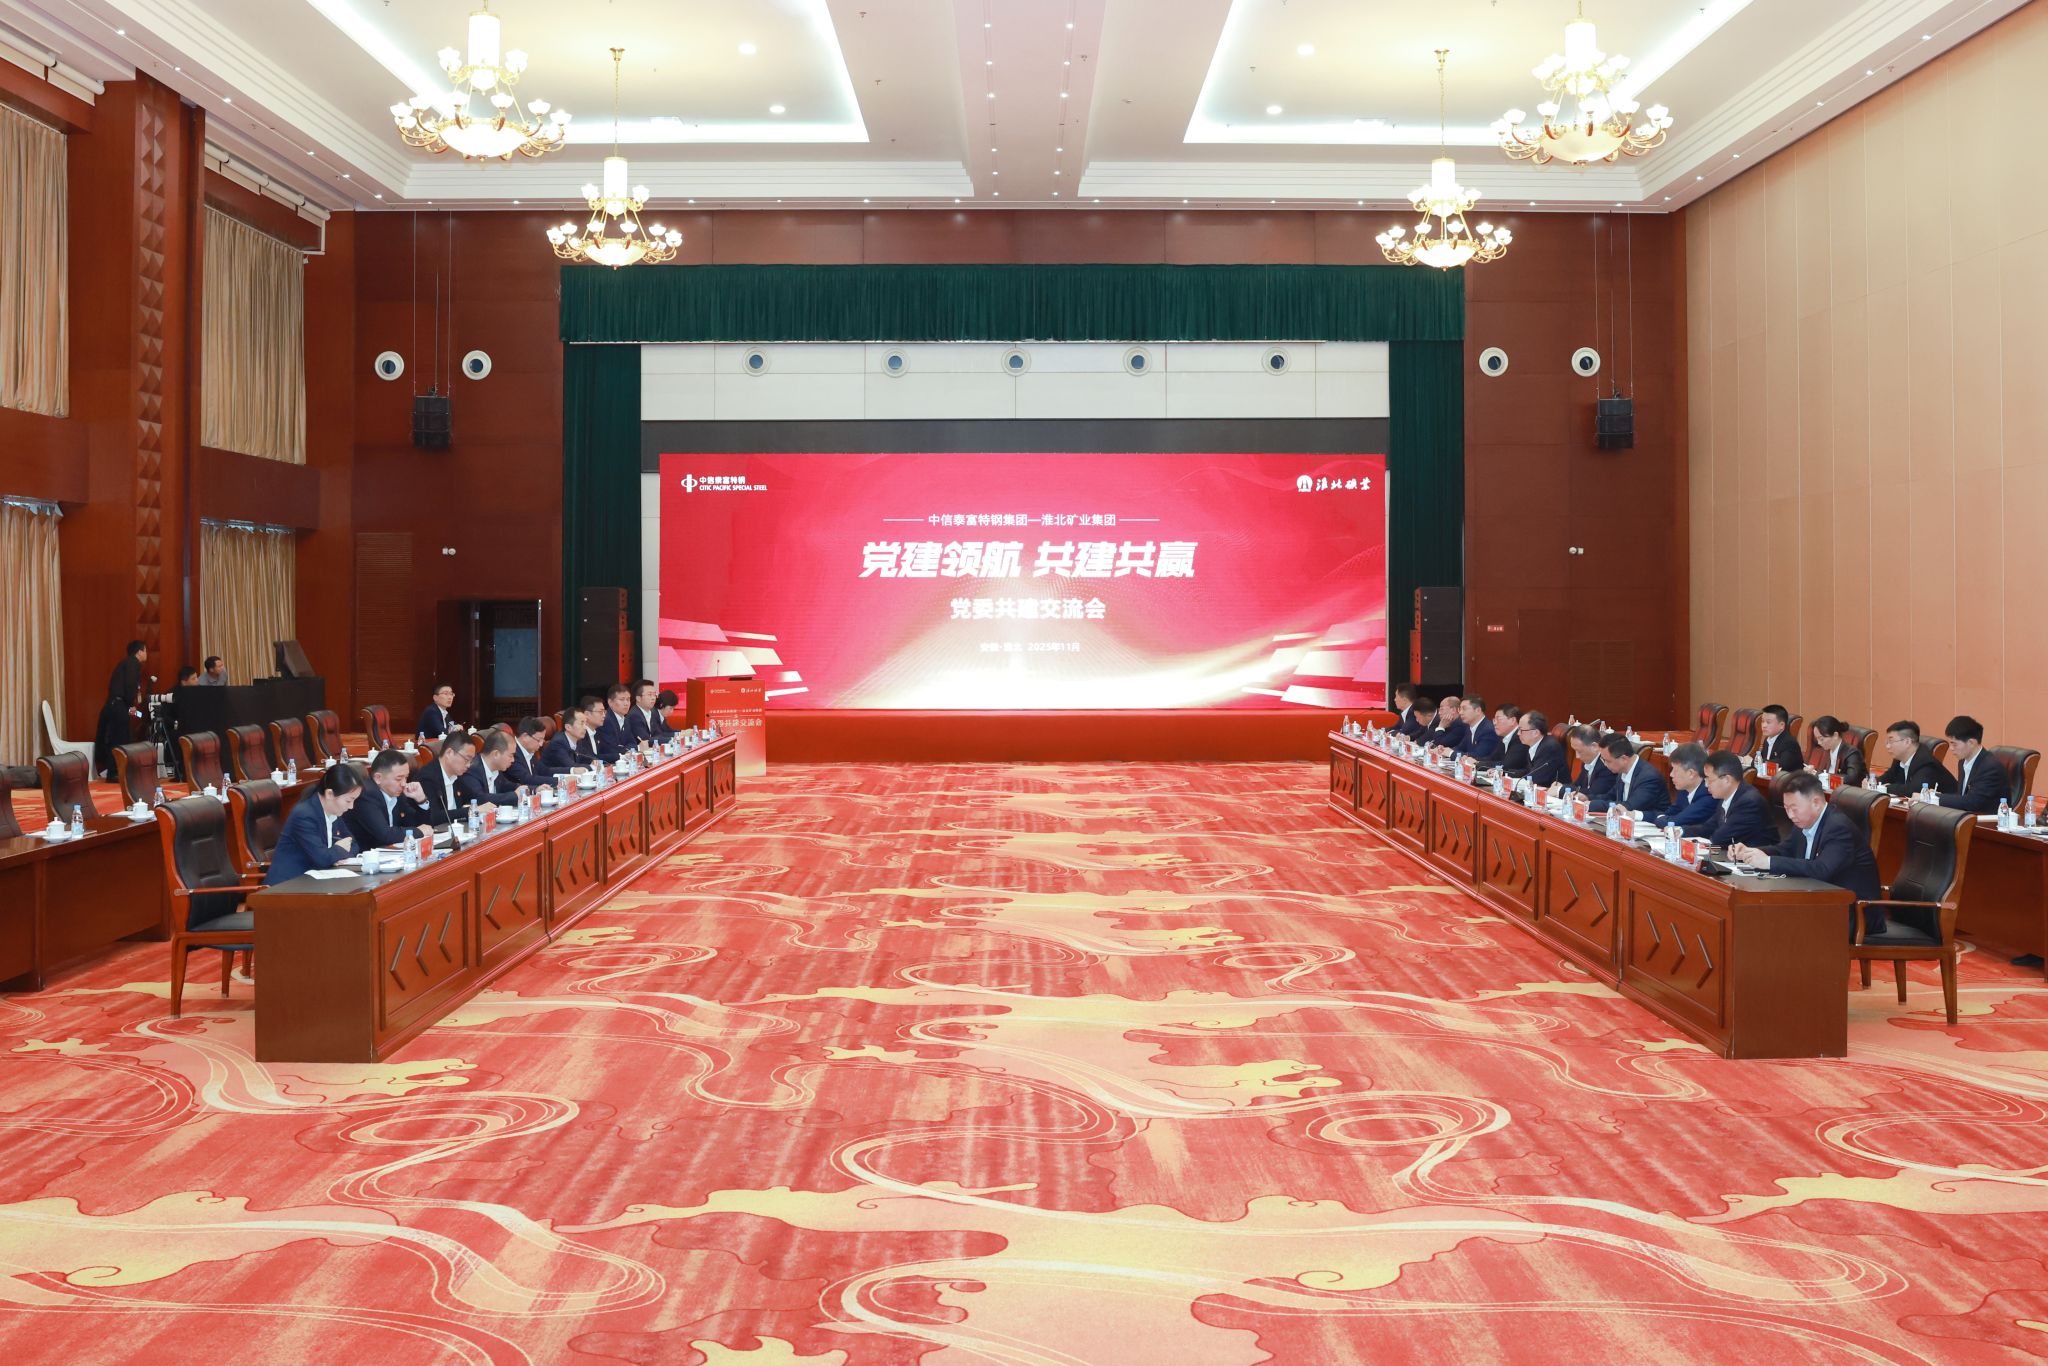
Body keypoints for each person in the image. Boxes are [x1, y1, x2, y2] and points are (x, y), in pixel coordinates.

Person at [1729, 771, 1885, 935]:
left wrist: (1768, 862)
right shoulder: (1805, 821)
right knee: (1760, 916)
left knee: (1772, 921)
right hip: (1822, 904)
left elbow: (1821, 869)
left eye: (1794, 809)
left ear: (1816, 803)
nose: (1790, 815)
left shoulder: (1838, 828)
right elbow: (1785, 850)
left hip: (1854, 914)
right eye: (1786, 809)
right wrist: (1751, 852)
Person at [266, 764, 362, 884]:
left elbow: (353, 844)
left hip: (316, 880)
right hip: (288, 884)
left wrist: (337, 856)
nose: (351, 806)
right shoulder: (304, 815)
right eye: (348, 800)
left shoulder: (333, 811)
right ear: (329, 794)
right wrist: (338, 850)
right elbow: (322, 859)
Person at [347, 749, 434, 849]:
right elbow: (385, 835)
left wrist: (421, 800)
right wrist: (419, 831)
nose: (404, 783)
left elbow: (420, 825)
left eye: (406, 777)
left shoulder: (397, 793)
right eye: (398, 779)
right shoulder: (366, 795)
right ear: (378, 778)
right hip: (367, 854)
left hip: (391, 852)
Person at [93, 639, 149, 780]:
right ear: (139, 652)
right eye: (145, 650)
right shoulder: (133, 664)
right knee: (120, 740)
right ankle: (114, 773)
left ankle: (116, 771)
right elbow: (130, 686)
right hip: (119, 707)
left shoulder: (126, 663)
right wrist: (131, 704)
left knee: (119, 738)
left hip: (116, 705)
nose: (146, 654)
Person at [1932, 715, 2005, 814]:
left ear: (1971, 743)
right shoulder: (1962, 761)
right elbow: (1962, 797)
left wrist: (1934, 798)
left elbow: (1972, 802)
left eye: (1954, 744)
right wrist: (1937, 796)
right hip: (1967, 816)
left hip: (1988, 820)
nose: (1951, 748)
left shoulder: (1990, 767)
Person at [1701, 750, 1771, 848]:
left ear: (1727, 780)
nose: (1706, 785)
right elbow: (1708, 828)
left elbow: (1720, 839)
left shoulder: (1750, 802)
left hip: (1754, 856)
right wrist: (1681, 831)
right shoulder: (1727, 796)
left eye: (1709, 780)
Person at [1593, 733, 1669, 816]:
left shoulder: (1649, 777)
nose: (1605, 764)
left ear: (1624, 759)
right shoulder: (1622, 770)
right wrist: (1587, 799)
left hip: (1651, 822)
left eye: (1608, 761)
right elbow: (1610, 796)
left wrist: (1593, 805)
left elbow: (1629, 806)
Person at [1876, 720, 1956, 797]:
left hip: (1949, 805)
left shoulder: (1926, 762)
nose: (1888, 746)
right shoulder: (1899, 757)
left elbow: (1916, 790)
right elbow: (1888, 777)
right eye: (1887, 742)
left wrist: (1886, 788)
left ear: (1907, 742)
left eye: (1891, 742)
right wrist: (1874, 782)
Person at [415, 729, 476, 827]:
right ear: (449, 753)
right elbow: (434, 817)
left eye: (471, 761)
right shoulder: (427, 778)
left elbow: (473, 797)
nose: (468, 765)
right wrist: (469, 810)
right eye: (466, 759)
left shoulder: (456, 774)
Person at [1655, 743, 1718, 832]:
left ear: (1691, 773)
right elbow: (1669, 813)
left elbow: (1673, 822)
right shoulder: (1685, 790)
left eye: (1675, 770)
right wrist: (1662, 818)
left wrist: (1661, 818)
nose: (1671, 774)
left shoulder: (1708, 796)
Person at [459, 730, 522, 808]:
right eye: (511, 755)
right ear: (496, 754)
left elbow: (507, 786)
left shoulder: (496, 769)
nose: (513, 760)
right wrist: (515, 795)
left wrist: (524, 788)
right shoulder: (471, 769)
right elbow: (480, 798)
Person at [1512, 712, 1568, 787]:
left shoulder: (1549, 747)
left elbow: (1535, 778)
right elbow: (1529, 772)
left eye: (1521, 730)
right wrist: (1506, 774)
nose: (1518, 733)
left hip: (1554, 792)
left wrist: (1512, 781)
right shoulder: (1534, 745)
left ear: (1535, 733)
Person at [1809, 715, 1867, 786]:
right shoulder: (1827, 751)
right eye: (1817, 739)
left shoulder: (1852, 753)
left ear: (1835, 735)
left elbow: (1851, 778)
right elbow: (1822, 772)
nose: (1819, 743)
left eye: (1821, 739)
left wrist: (1820, 775)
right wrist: (1812, 772)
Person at [539, 709, 594, 780]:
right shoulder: (558, 743)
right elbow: (571, 767)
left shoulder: (578, 740)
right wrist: (592, 767)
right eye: (582, 723)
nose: (585, 727)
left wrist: (597, 762)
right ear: (568, 727)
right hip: (550, 782)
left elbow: (589, 757)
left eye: (586, 724)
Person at [1566, 725, 1616, 804]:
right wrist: (1561, 787)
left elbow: (1594, 792)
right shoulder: (1588, 759)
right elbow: (1578, 786)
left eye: (1579, 751)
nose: (1577, 756)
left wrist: (1560, 790)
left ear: (1594, 746)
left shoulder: (1607, 765)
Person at [1753, 705, 1805, 771]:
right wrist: (1760, 761)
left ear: (1781, 725)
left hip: (1788, 777)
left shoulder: (1789, 742)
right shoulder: (1767, 740)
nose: (1764, 725)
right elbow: (1756, 761)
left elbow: (1782, 764)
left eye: (1768, 722)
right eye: (1762, 721)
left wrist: (1760, 762)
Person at [593, 683, 635, 761]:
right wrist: (627, 751)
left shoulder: (626, 719)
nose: (626, 703)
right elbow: (611, 749)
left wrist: (627, 750)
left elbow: (632, 743)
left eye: (628, 699)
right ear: (610, 702)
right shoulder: (605, 720)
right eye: (622, 699)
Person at [507, 717, 551, 788]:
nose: (541, 744)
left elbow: (545, 771)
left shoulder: (529, 750)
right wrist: (560, 781)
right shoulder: (512, 753)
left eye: (543, 740)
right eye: (539, 740)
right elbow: (527, 779)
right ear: (525, 736)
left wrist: (569, 772)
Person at [1456, 696, 1502, 762]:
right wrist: (1444, 750)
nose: (1460, 712)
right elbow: (1460, 748)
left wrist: (1450, 753)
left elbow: (1478, 755)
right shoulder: (1469, 728)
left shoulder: (1489, 730)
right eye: (1460, 709)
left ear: (1478, 710)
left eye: (1464, 709)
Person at [626, 679, 672, 746]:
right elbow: (645, 740)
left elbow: (658, 734)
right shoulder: (635, 715)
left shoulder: (652, 712)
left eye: (654, 695)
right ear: (638, 698)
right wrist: (672, 739)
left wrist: (675, 737)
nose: (653, 698)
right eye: (649, 695)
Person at [1492, 704, 1525, 771]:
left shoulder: (1520, 737)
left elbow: (1507, 765)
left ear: (1512, 720)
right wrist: (1474, 761)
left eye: (1498, 719)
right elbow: (1492, 758)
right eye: (1494, 720)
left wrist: (1477, 763)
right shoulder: (1504, 738)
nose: (1494, 723)